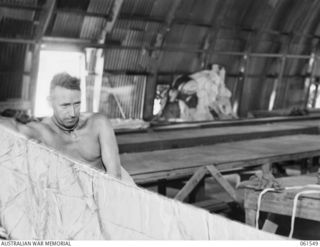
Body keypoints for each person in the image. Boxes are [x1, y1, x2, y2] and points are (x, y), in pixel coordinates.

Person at [0, 72, 133, 183]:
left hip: (108, 191)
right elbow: (13, 128)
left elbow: (115, 176)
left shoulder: (98, 123)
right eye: (65, 106)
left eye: (76, 104)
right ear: (50, 102)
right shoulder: (43, 131)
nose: (72, 113)